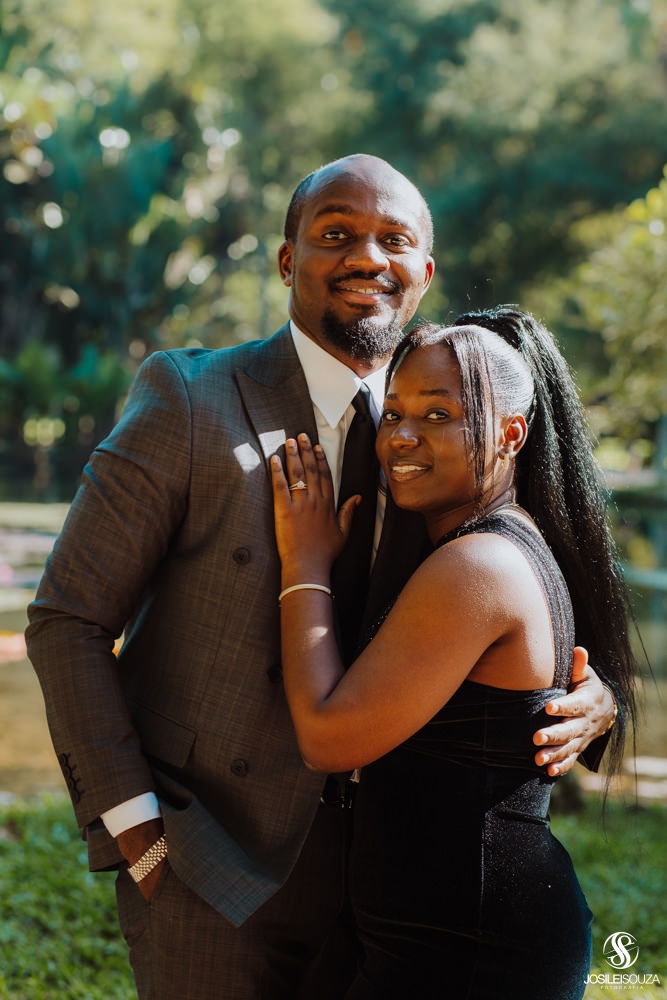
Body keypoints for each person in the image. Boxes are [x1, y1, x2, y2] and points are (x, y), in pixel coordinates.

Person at [25, 157, 616, 1000]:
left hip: (397, 888)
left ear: (423, 272)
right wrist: (136, 830)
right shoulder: (189, 399)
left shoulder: (453, 429)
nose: (366, 257)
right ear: (286, 258)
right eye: (335, 233)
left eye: (393, 240)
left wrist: (592, 694)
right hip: (209, 870)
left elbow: (524, 591)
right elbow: (68, 619)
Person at [270, 311, 638, 999]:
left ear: (510, 435)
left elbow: (328, 736)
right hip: (441, 934)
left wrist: (305, 563)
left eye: (437, 415)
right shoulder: (483, 543)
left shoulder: (477, 566)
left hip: (470, 948)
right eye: (394, 413)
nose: (401, 436)